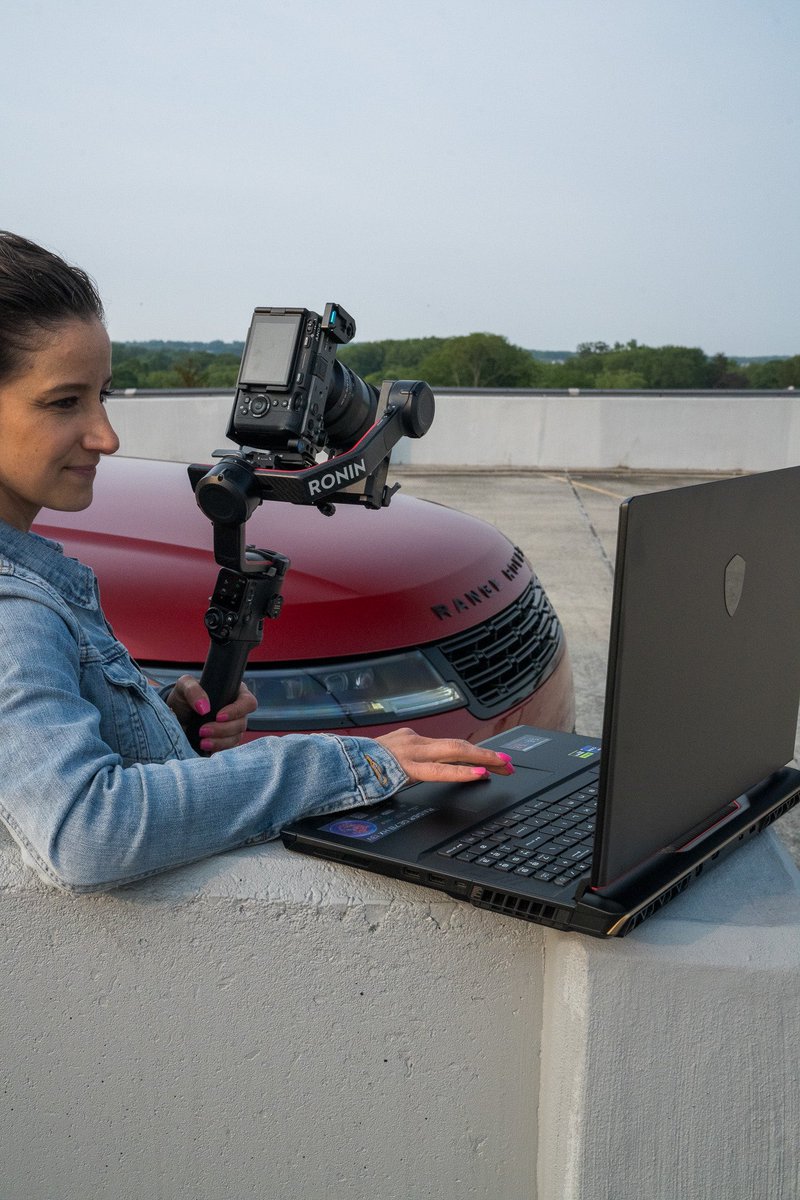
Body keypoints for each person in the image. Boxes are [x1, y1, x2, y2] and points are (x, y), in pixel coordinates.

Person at [0, 231, 513, 893]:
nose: (106, 435)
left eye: (104, 394)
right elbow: (87, 829)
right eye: (64, 402)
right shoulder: (13, 609)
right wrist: (352, 765)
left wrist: (160, 721)